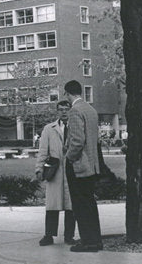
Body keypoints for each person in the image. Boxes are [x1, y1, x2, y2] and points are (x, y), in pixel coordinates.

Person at [63, 80, 102, 253]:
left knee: (80, 205)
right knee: (90, 204)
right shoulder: (91, 110)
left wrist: (69, 157)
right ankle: (95, 240)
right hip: (92, 165)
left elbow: (77, 141)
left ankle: (88, 242)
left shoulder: (75, 111)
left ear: (68, 93)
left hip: (79, 165)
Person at [35, 101, 76, 246]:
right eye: (61, 110)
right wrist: (39, 168)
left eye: (66, 109)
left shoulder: (76, 127)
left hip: (72, 170)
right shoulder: (49, 129)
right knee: (52, 204)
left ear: (71, 110)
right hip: (55, 171)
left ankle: (69, 236)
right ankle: (49, 235)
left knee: (71, 205)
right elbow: (42, 151)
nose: (64, 112)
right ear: (57, 111)